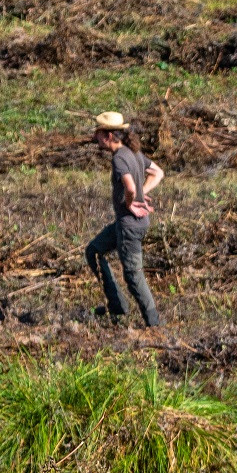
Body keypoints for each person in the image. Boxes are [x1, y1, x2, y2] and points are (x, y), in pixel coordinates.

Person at [85, 113, 163, 328]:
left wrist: (131, 201)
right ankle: (117, 304)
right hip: (126, 224)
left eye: (99, 134)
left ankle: (154, 325)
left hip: (130, 225)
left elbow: (129, 186)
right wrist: (140, 194)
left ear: (109, 135)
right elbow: (158, 172)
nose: (96, 138)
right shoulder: (134, 153)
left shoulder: (120, 157)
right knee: (94, 251)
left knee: (133, 275)